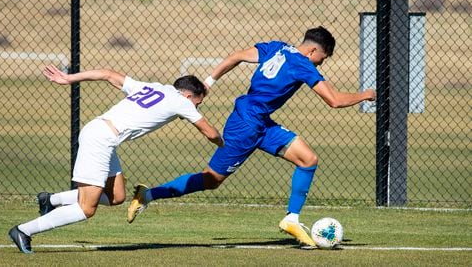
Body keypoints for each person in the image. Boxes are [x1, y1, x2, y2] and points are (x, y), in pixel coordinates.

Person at [127, 26, 376, 247]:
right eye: (323, 58)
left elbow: (237, 56)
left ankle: (292, 219)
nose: (321, 63)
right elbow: (333, 100)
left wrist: (209, 81)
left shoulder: (276, 48)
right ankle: (147, 195)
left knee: (308, 159)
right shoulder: (303, 64)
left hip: (261, 122)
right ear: (313, 52)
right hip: (246, 125)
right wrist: (364, 95)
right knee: (211, 179)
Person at [8, 64, 224, 254]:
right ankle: (23, 230)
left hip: (103, 135)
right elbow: (211, 133)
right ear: (188, 96)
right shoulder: (182, 102)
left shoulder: (155, 87)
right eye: (198, 103)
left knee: (116, 196)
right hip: (100, 140)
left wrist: (70, 78)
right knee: (86, 208)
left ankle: (51, 200)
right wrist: (225, 145)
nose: (196, 108)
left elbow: (107, 74)